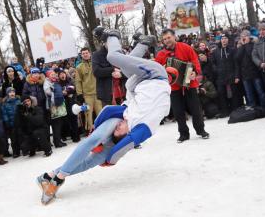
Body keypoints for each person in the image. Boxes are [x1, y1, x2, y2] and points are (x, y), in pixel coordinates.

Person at [36, 30, 171, 204]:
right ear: (127, 133)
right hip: (155, 75)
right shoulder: (143, 128)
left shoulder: (126, 114)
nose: (117, 126)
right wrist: (106, 152)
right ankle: (112, 35)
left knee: (93, 160)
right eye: (119, 129)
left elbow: (107, 111)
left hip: (138, 84)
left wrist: (103, 154)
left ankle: (52, 175)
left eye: (116, 129)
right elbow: (121, 148)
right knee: (113, 57)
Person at [155, 28, 209, 143]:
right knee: (178, 111)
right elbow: (157, 70)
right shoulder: (160, 55)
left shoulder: (185, 47)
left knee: (196, 109)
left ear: (174, 36)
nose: (167, 40)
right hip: (173, 87)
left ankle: (201, 130)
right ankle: (183, 134)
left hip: (189, 83)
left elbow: (195, 61)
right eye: (164, 39)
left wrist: (195, 72)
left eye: (169, 37)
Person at [211, 34, 242, 117]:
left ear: (228, 40)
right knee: (221, 93)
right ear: (220, 40)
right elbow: (213, 63)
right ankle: (225, 111)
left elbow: (236, 64)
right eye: (222, 39)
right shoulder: (216, 51)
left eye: (225, 38)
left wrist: (237, 76)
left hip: (231, 75)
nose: (224, 40)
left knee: (234, 93)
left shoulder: (232, 50)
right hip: (220, 76)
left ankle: (235, 109)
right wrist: (216, 70)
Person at [236, 30, 265, 107]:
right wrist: (242, 46)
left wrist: (246, 45)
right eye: (242, 36)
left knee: (260, 91)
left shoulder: (254, 45)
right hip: (245, 74)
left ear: (249, 37)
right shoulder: (240, 47)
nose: (244, 37)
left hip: (255, 72)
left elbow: (250, 55)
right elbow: (238, 58)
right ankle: (253, 107)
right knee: (249, 93)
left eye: (245, 36)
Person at [75, 47, 102, 132]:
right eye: (83, 53)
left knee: (101, 114)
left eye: (86, 53)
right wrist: (79, 94)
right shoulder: (79, 67)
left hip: (98, 93)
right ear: (81, 55)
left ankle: (102, 132)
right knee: (88, 115)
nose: (85, 55)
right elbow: (78, 81)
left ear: (90, 53)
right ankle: (90, 132)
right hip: (87, 95)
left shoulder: (96, 63)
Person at [92, 27, 115, 106]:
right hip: (107, 93)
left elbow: (126, 70)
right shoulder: (96, 55)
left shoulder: (119, 53)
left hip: (122, 91)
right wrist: (113, 70)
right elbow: (96, 71)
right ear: (103, 42)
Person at [44, 70, 67, 148]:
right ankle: (57, 142)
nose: (53, 75)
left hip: (58, 104)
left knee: (59, 123)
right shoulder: (47, 82)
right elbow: (47, 92)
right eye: (51, 74)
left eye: (54, 74)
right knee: (56, 124)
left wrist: (61, 91)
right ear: (48, 76)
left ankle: (58, 140)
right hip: (53, 105)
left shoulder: (55, 81)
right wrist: (56, 91)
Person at [1, 87, 21, 158]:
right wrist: (7, 122)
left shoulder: (18, 100)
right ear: (7, 94)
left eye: (13, 92)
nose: (12, 93)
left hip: (19, 122)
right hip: (11, 123)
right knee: (13, 139)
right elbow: (4, 113)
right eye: (10, 92)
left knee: (20, 136)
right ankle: (16, 152)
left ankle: (23, 149)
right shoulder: (5, 103)